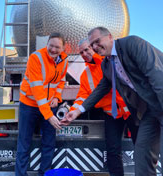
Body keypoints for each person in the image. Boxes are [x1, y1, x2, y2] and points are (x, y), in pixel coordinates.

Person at [62, 26, 163, 176]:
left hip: (154, 105)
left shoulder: (132, 44)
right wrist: (77, 111)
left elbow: (158, 78)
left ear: (109, 36)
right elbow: (100, 89)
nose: (95, 47)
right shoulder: (107, 65)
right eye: (92, 45)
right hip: (144, 110)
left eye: (97, 42)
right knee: (142, 153)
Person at [68, 38, 138, 176]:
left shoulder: (111, 61)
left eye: (87, 49)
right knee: (112, 150)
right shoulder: (85, 75)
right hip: (111, 114)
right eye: (81, 52)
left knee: (141, 147)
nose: (84, 53)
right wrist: (72, 112)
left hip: (130, 111)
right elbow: (82, 97)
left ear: (95, 46)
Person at [15, 32, 68, 176]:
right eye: (51, 45)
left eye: (57, 47)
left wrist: (57, 97)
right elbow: (37, 89)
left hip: (50, 105)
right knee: (24, 143)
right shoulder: (36, 58)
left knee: (49, 144)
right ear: (47, 43)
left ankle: (44, 173)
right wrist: (49, 116)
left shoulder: (64, 61)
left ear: (63, 48)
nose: (53, 49)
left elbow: (61, 81)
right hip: (29, 105)